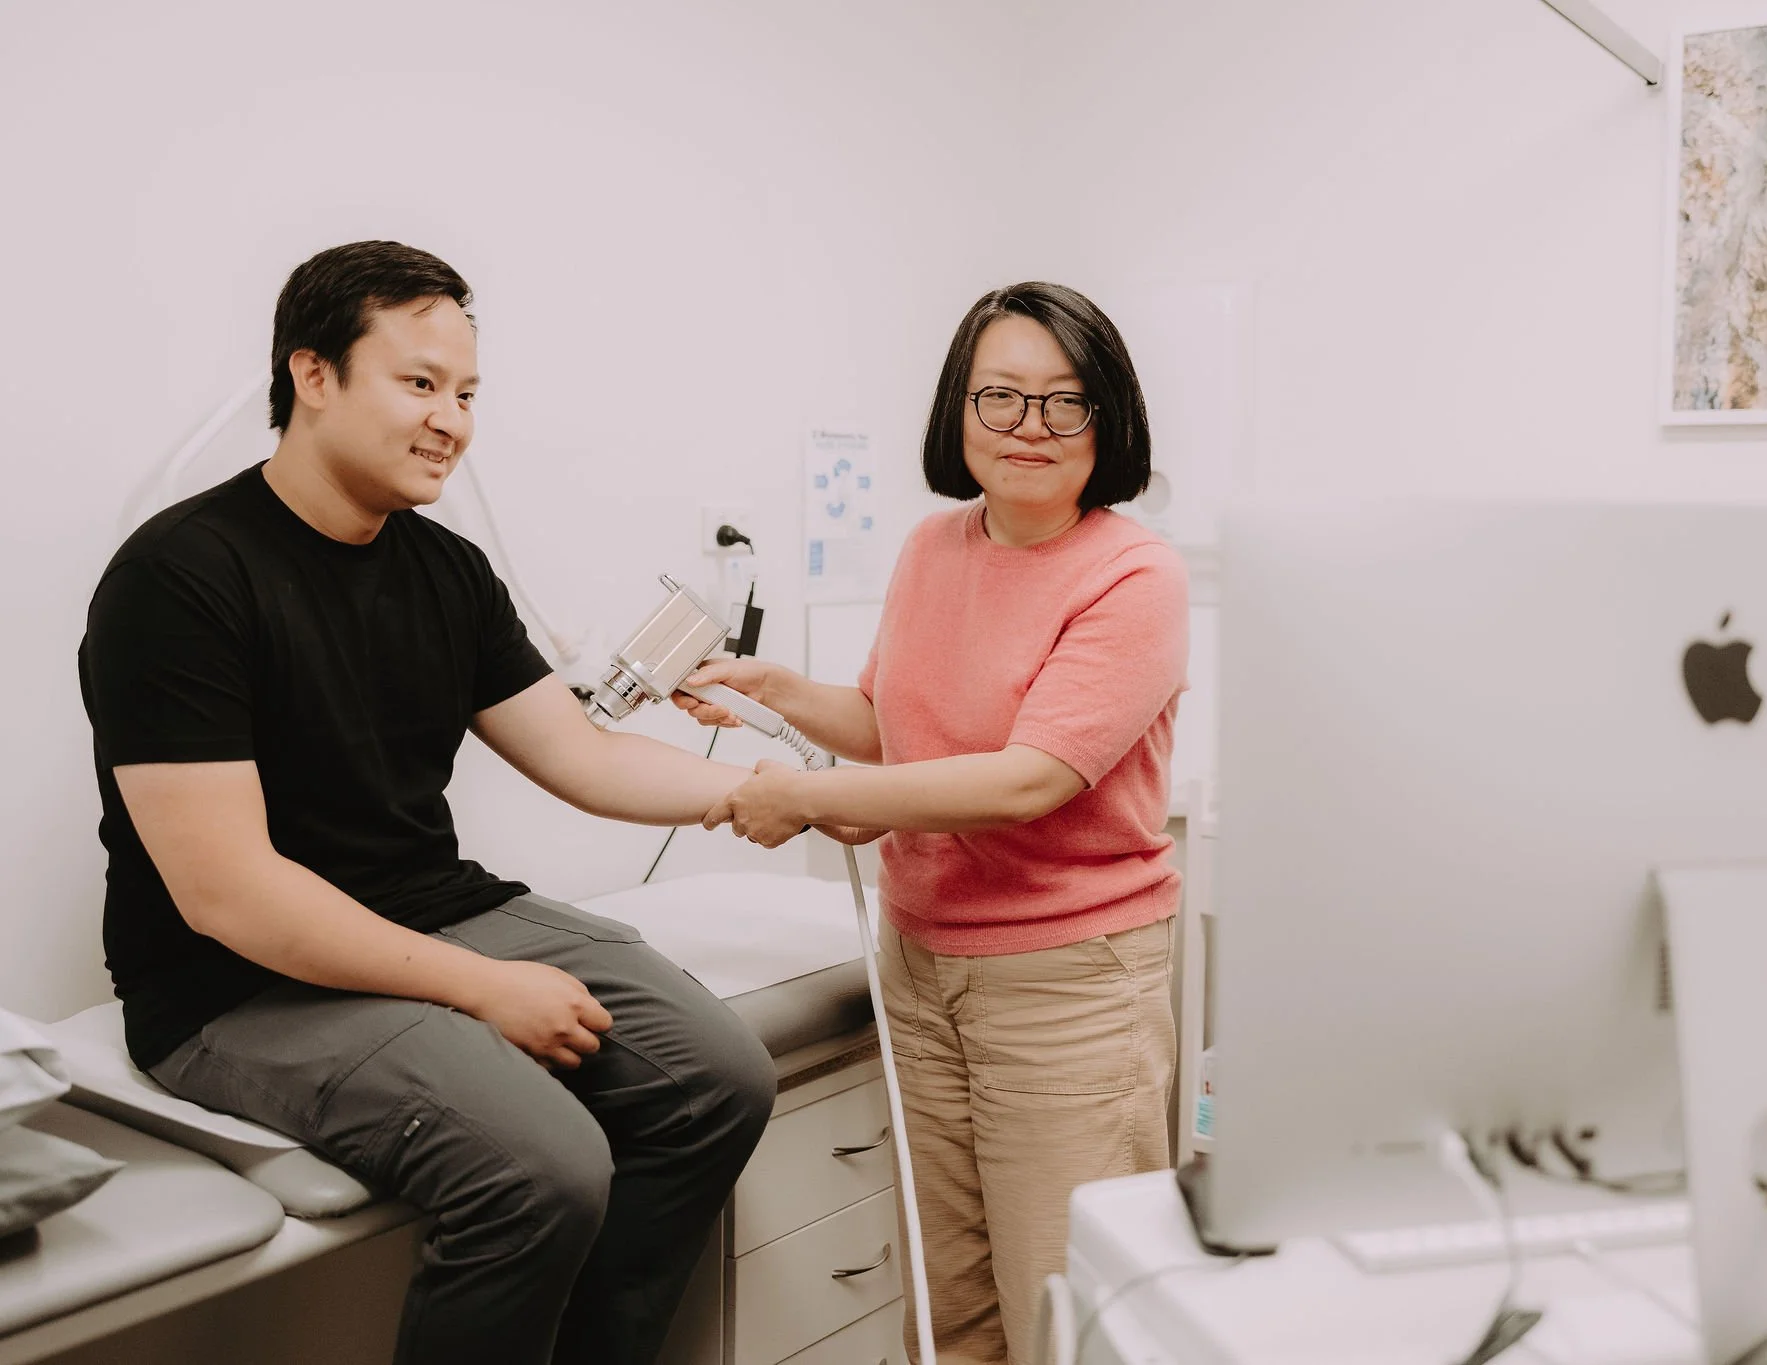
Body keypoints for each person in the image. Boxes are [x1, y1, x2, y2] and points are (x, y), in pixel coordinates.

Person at [77, 241, 776, 1365]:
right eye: (418, 384)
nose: (450, 420)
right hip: (232, 986)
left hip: (426, 908)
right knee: (541, 1163)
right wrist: (484, 989)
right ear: (312, 376)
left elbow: (580, 759)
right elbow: (228, 896)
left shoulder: (445, 570)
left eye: (465, 393)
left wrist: (761, 793)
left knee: (718, 1075)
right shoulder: (180, 579)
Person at [678, 281, 1187, 1365]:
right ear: (958, 410)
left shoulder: (1132, 576)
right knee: (950, 1307)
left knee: (1066, 1315)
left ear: (1110, 417)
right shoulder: (930, 549)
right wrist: (770, 687)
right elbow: (886, 726)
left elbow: (1022, 780)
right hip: (919, 970)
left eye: (1065, 401)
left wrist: (809, 798)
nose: (1029, 428)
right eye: (999, 397)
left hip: (1066, 989)